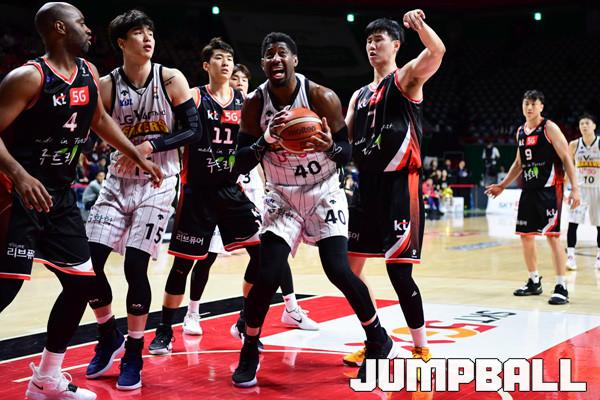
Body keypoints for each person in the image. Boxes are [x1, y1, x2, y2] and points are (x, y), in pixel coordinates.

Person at [0, 3, 162, 399]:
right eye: (81, 22)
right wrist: (20, 175)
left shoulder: (88, 72)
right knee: (5, 291)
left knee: (80, 286)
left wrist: (137, 155)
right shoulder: (29, 77)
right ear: (59, 28)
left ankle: (46, 379)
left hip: (59, 199)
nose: (89, 30)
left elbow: (100, 120)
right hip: (17, 196)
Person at [232, 31, 398, 387]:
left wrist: (329, 147)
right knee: (267, 273)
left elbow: (346, 153)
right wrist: (266, 141)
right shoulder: (255, 104)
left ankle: (378, 339)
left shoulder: (322, 96)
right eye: (269, 55)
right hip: (282, 195)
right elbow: (239, 162)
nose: (276, 59)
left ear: (295, 60)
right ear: (262, 64)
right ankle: (250, 346)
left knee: (338, 269)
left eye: (282, 53)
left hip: (324, 191)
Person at [84, 9, 200, 390]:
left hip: (159, 181)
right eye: (138, 32)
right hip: (117, 183)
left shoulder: (170, 78)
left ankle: (134, 350)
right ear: (121, 42)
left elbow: (194, 129)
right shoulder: (107, 86)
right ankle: (108, 335)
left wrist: (154, 144)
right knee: (88, 266)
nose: (148, 37)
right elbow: (90, 128)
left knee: (136, 266)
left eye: (150, 31)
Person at [344, 12, 445, 368]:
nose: (372, 46)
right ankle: (377, 338)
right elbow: (343, 140)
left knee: (399, 273)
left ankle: (420, 348)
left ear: (396, 45)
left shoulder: (405, 79)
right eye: (368, 41)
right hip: (366, 188)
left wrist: (420, 26)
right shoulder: (358, 95)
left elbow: (437, 52)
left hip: (401, 185)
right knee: (348, 269)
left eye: (379, 39)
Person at [230, 63, 318, 334]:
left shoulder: (256, 108)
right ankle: (193, 314)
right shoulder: (223, 108)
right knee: (203, 258)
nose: (240, 82)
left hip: (257, 189)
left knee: (267, 252)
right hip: (228, 187)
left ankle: (273, 312)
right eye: (235, 78)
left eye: (244, 78)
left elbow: (262, 155)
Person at [486, 90, 580, 305]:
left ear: (541, 107)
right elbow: (518, 164)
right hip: (528, 190)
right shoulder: (520, 131)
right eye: (526, 103)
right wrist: (502, 185)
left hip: (550, 189)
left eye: (533, 104)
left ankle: (561, 286)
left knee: (552, 237)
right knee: (526, 236)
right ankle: (534, 280)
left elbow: (566, 158)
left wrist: (575, 188)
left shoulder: (549, 128)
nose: (529, 107)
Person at [565, 114, 600, 270]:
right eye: (581, 124)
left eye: (587, 123)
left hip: (598, 188)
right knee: (573, 223)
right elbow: (568, 168)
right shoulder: (574, 144)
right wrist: (564, 188)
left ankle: (599, 257)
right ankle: (571, 257)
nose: (584, 126)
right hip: (579, 189)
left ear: (594, 126)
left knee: (599, 224)